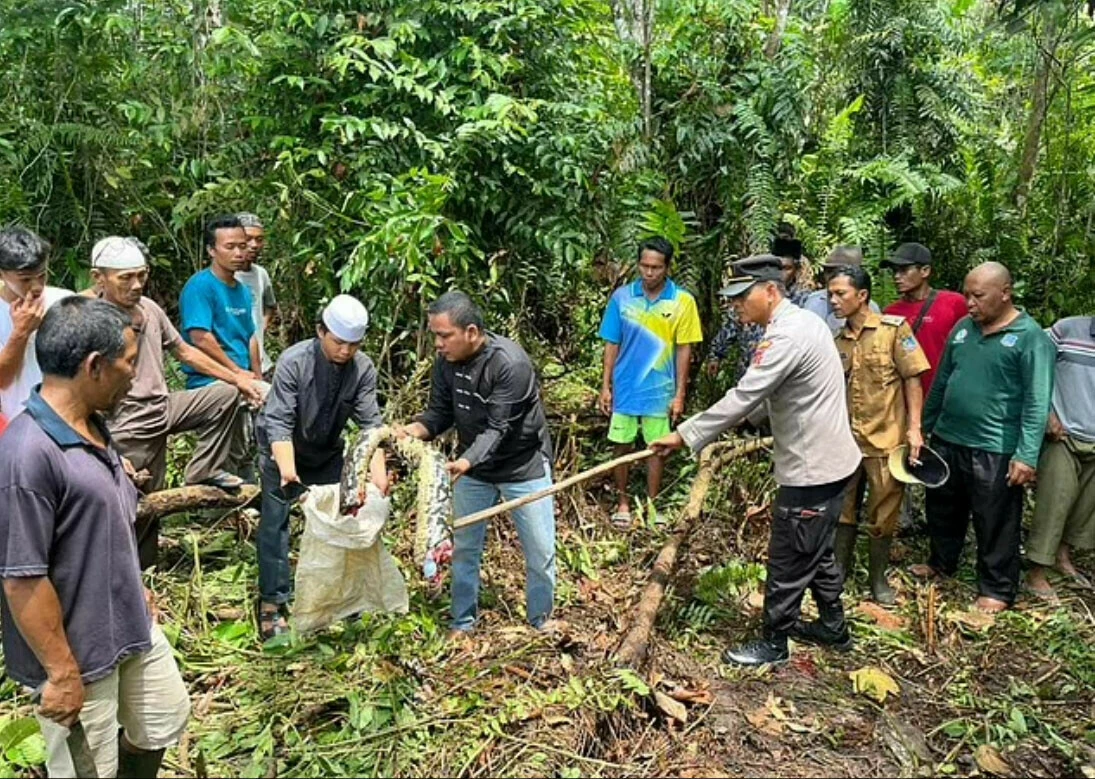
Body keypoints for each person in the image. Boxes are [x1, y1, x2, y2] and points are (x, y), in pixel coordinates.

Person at [0, 297, 189, 778]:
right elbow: (22, 579)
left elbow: (101, 529)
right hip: (79, 652)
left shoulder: (95, 428)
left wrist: (133, 586)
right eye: (129, 361)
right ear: (94, 366)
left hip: (128, 626)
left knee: (164, 717)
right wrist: (61, 673)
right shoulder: (28, 455)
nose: (134, 373)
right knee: (88, 770)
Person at [652, 256, 861, 666]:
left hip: (813, 469)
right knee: (815, 550)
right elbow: (773, 396)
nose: (736, 307)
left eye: (742, 297)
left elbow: (745, 395)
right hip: (831, 462)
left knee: (788, 554)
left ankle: (774, 642)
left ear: (770, 291)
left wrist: (685, 435)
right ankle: (833, 628)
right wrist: (748, 422)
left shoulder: (785, 336)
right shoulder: (803, 324)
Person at [87, 236, 265, 568]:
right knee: (139, 502)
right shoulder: (92, 319)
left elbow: (184, 351)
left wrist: (238, 378)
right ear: (99, 278)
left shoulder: (151, 309)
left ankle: (205, 470)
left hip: (164, 405)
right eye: (125, 277)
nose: (136, 284)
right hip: (127, 420)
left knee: (226, 394)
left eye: (141, 275)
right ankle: (133, 575)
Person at [400, 291, 557, 637]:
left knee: (540, 550)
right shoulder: (445, 363)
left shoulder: (510, 364)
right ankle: (462, 621)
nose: (438, 344)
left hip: (522, 466)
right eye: (435, 336)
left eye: (444, 336)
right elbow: (439, 414)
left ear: (471, 332)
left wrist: (465, 461)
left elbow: (499, 428)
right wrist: (410, 432)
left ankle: (541, 621)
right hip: (474, 469)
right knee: (463, 548)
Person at [912, 262, 1055, 612]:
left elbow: (1038, 401)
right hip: (948, 438)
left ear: (1005, 293)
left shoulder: (1030, 338)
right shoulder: (963, 329)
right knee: (943, 507)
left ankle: (997, 588)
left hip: (994, 446)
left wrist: (1026, 455)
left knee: (995, 520)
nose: (970, 303)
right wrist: (922, 427)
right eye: (966, 295)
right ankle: (940, 562)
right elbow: (942, 381)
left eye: (978, 296)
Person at [254, 294, 388, 640]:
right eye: (339, 342)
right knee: (275, 524)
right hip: (283, 450)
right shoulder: (294, 362)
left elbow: (370, 426)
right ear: (320, 332)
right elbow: (278, 421)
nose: (346, 351)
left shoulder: (363, 369)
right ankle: (273, 603)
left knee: (344, 518)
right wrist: (287, 471)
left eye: (353, 345)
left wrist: (378, 475)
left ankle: (340, 598)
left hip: (328, 452)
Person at [828, 266, 930, 604]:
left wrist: (914, 429)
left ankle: (877, 579)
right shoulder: (838, 339)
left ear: (862, 296)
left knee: (884, 512)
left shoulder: (893, 331)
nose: (833, 300)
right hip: (845, 441)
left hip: (886, 439)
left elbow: (912, 378)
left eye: (840, 293)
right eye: (831, 293)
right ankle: (838, 574)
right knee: (843, 509)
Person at [599, 236, 702, 529]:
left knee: (656, 448)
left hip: (660, 390)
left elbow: (685, 349)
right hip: (625, 388)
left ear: (667, 267)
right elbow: (611, 344)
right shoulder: (622, 298)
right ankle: (622, 503)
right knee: (621, 446)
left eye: (656, 267)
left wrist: (680, 393)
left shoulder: (683, 301)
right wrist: (605, 386)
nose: (649, 273)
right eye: (644, 266)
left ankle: (652, 505)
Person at [181, 214, 263, 480]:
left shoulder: (241, 290)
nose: (240, 252)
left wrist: (256, 378)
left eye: (242, 245)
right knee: (225, 452)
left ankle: (245, 507)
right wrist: (235, 374)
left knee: (246, 447)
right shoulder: (200, 286)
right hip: (212, 382)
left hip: (242, 380)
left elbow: (250, 337)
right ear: (211, 250)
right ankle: (211, 512)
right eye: (230, 247)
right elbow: (200, 336)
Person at [1024, 315, 1095, 601]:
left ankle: (1062, 557)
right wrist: (1047, 412)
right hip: (1063, 434)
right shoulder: (1067, 330)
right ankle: (1036, 572)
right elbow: (1033, 366)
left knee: (1086, 507)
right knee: (1055, 501)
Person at [705, 236, 812, 382]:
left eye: (787, 268)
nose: (781, 274)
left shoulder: (804, 301)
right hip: (748, 373)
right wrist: (716, 355)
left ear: (796, 270)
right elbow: (731, 326)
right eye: (778, 268)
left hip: (781, 377)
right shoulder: (751, 296)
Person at [0, 226, 72, 419]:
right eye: (25, 280)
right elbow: (2, 380)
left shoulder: (64, 302)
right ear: (2, 275)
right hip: (18, 422)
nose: (37, 287)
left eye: (42, 276)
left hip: (68, 418)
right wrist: (21, 332)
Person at [880, 242, 968, 397]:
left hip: (946, 395)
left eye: (904, 270)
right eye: (894, 271)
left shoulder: (954, 303)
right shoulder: (890, 313)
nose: (897, 277)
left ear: (925, 271)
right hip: (907, 397)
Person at [235, 212, 278, 378]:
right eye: (248, 238)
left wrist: (260, 327)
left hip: (262, 364)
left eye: (259, 240)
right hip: (235, 367)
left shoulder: (261, 274)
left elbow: (270, 305)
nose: (254, 245)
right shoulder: (225, 277)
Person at [802, 246, 880, 332]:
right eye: (828, 272)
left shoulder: (870, 307)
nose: (831, 277)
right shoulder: (814, 302)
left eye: (841, 293)